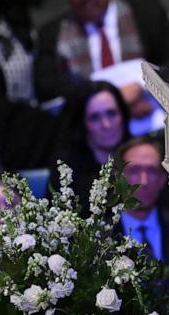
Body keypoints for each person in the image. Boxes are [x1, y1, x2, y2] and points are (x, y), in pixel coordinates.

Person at [34, 0, 169, 114]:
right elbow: (46, 88)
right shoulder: (52, 32)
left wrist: (145, 89)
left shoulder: (147, 12)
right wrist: (108, 96)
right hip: (90, 120)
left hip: (148, 110)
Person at [116, 136, 169, 270]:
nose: (144, 181)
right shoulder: (99, 236)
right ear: (119, 178)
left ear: (162, 179)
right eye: (135, 170)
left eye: (152, 171)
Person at [52, 81, 130, 216]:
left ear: (122, 115)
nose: (106, 125)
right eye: (94, 118)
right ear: (82, 124)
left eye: (111, 113)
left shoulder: (141, 157)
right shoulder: (66, 171)